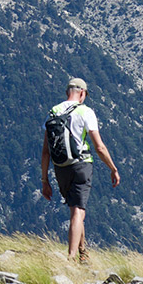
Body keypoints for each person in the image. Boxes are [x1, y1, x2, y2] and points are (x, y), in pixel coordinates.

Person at [41, 76, 120, 263]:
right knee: (78, 212)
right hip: (81, 165)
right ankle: (71, 257)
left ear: (67, 92)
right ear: (82, 93)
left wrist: (45, 180)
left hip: (60, 167)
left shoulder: (52, 113)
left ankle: (83, 253)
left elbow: (45, 152)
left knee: (75, 208)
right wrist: (113, 168)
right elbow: (99, 147)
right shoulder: (85, 112)